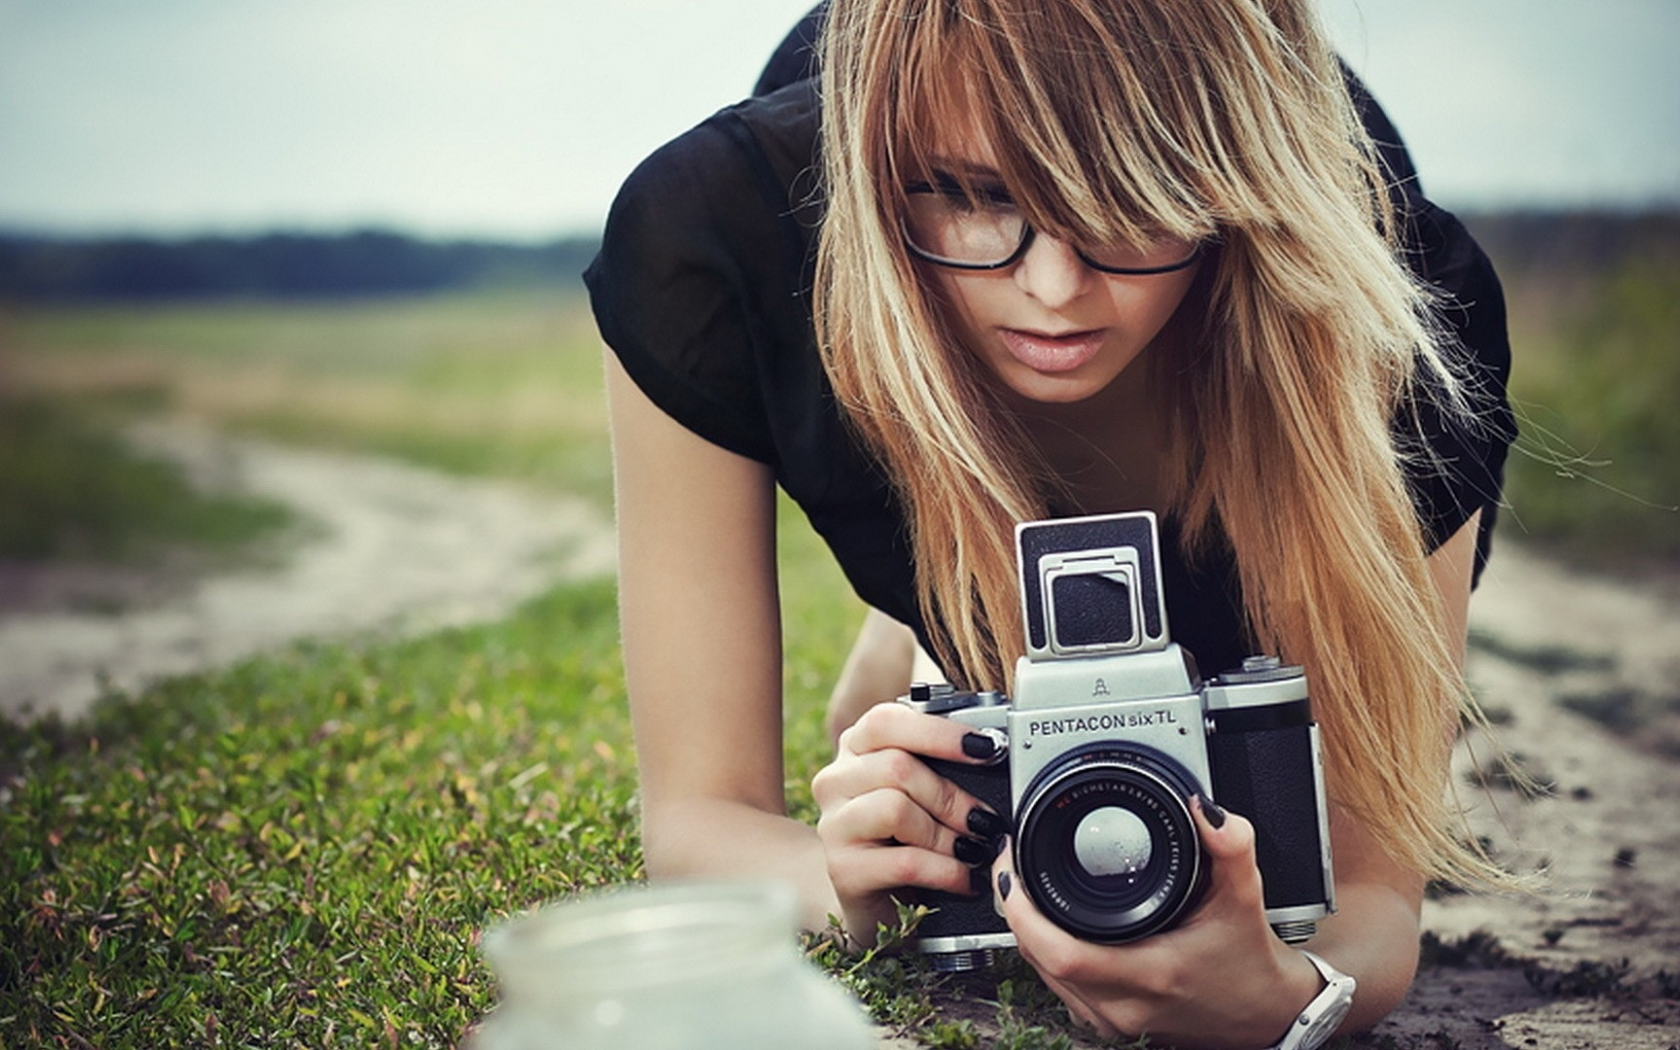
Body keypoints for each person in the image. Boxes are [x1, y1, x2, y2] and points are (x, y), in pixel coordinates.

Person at [586, 1, 1516, 1046]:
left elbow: (1374, 903)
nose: (1055, 289)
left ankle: (948, 613)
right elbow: (697, 822)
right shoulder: (725, 236)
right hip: (858, 274)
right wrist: (846, 881)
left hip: (1284, 321)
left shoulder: (1405, 315)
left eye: (1127, 206)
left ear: (1227, 192)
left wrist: (1278, 997)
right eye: (974, 198)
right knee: (934, 673)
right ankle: (933, 602)